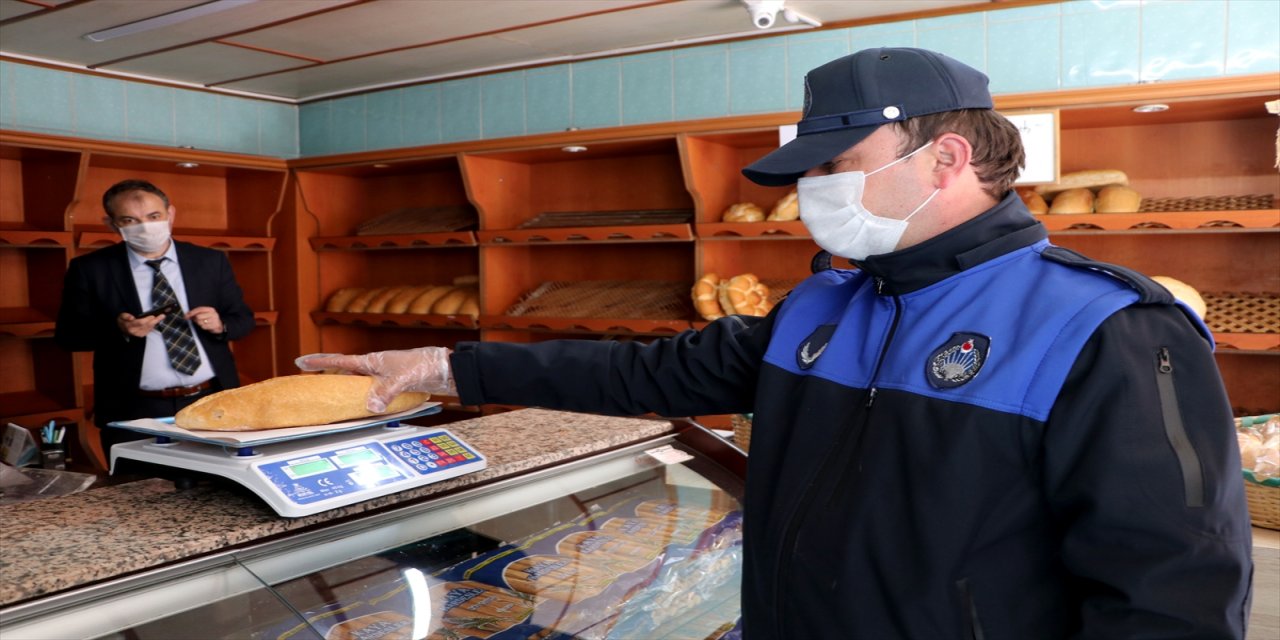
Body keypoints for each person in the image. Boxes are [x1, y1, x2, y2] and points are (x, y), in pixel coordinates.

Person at [298, 48, 1253, 639]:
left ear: (948, 159)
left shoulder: (1106, 327)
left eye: (837, 165)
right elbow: (646, 371)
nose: (814, 194)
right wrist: (446, 365)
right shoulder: (822, 307)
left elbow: (1174, 591)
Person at [56, 179, 255, 456]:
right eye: (130, 220)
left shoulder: (210, 261)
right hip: (134, 408)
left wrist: (221, 324)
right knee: (137, 482)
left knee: (216, 479)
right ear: (112, 224)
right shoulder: (90, 269)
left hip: (210, 400)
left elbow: (244, 320)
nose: (145, 227)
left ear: (170, 214)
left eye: (154, 216)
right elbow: (68, 336)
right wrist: (119, 329)